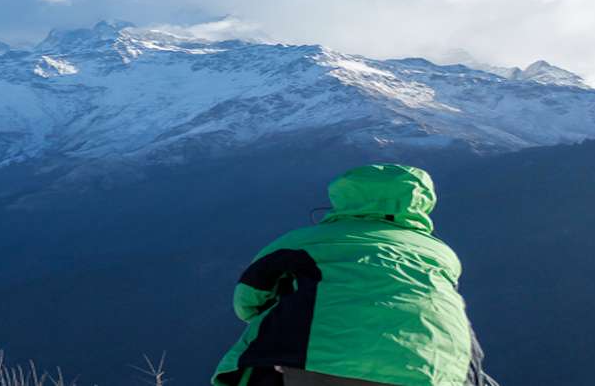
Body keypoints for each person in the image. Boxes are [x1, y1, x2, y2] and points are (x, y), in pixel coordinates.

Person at [212, 164, 496, 386]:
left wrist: (290, 308)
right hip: (435, 364)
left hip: (322, 360)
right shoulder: (440, 253)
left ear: (342, 197)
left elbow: (248, 300)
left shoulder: (301, 242)